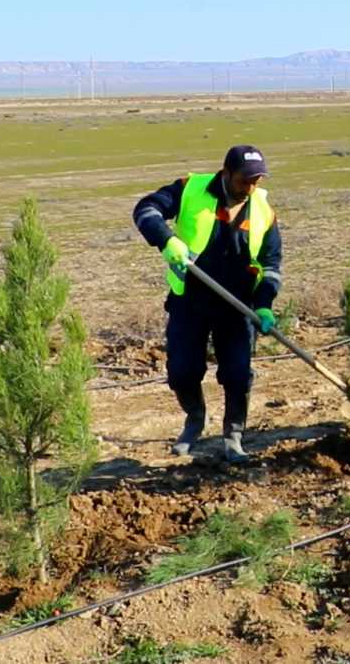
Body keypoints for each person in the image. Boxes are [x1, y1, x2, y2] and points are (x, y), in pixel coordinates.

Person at [133, 145, 282, 462]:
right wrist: (166, 239)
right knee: (182, 372)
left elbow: (271, 263)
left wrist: (264, 304)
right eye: (244, 180)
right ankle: (195, 419)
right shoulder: (190, 189)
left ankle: (233, 434)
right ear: (226, 173)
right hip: (190, 302)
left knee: (238, 374)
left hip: (237, 307)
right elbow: (146, 209)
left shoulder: (262, 211)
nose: (250, 187)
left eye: (256, 180)